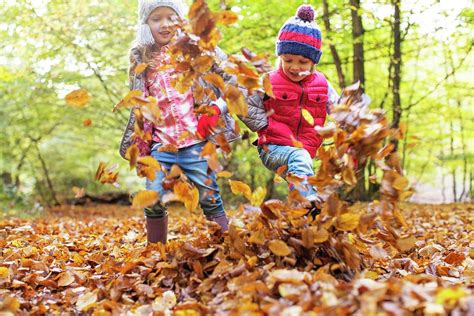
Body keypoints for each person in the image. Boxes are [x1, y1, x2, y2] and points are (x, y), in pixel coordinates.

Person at [119, 0, 239, 244]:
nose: (164, 25)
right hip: (160, 146)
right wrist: (140, 144)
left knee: (209, 197)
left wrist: (216, 108)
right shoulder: (141, 59)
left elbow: (234, 82)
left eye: (170, 17)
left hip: (195, 142)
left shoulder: (197, 50)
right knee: (152, 197)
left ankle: (227, 245)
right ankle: (156, 250)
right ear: (146, 24)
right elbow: (139, 107)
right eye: (156, 18)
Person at [240, 4, 339, 215]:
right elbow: (242, 101)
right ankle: (304, 200)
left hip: (305, 153)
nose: (294, 67)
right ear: (280, 57)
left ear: (313, 61)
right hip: (274, 148)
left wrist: (351, 131)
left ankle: (302, 219)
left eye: (302, 61)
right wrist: (264, 126)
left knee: (312, 178)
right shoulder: (269, 81)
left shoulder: (323, 84)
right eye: (288, 60)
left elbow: (340, 109)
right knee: (300, 158)